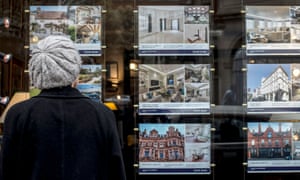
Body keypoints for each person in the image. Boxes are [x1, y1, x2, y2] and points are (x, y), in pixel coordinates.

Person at [0, 35, 126, 180]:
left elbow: (8, 172)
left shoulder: (18, 114)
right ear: (74, 71)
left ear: (37, 72)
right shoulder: (102, 114)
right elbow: (115, 171)